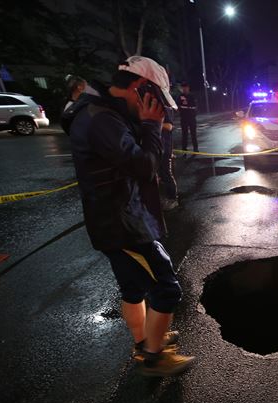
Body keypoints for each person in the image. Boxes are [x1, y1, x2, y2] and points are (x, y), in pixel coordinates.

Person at [61, 56, 195, 376]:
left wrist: (146, 124)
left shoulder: (100, 110)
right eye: (157, 100)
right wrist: (151, 126)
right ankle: (154, 355)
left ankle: (143, 343)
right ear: (139, 88)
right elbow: (145, 167)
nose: (160, 108)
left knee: (133, 289)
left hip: (110, 218)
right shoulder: (102, 119)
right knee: (167, 288)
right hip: (122, 223)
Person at [159, 107, 179, 210]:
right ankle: (164, 198)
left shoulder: (166, 108)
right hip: (156, 148)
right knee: (160, 175)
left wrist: (152, 123)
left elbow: (169, 126)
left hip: (165, 147)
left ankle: (173, 199)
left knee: (166, 173)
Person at [177, 82, 198, 152]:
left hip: (192, 118)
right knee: (184, 134)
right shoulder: (180, 96)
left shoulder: (192, 96)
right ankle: (184, 148)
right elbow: (178, 106)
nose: (184, 89)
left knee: (193, 133)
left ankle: (196, 148)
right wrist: (182, 108)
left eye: (185, 87)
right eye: (183, 88)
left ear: (188, 88)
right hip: (183, 118)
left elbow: (195, 106)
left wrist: (188, 107)